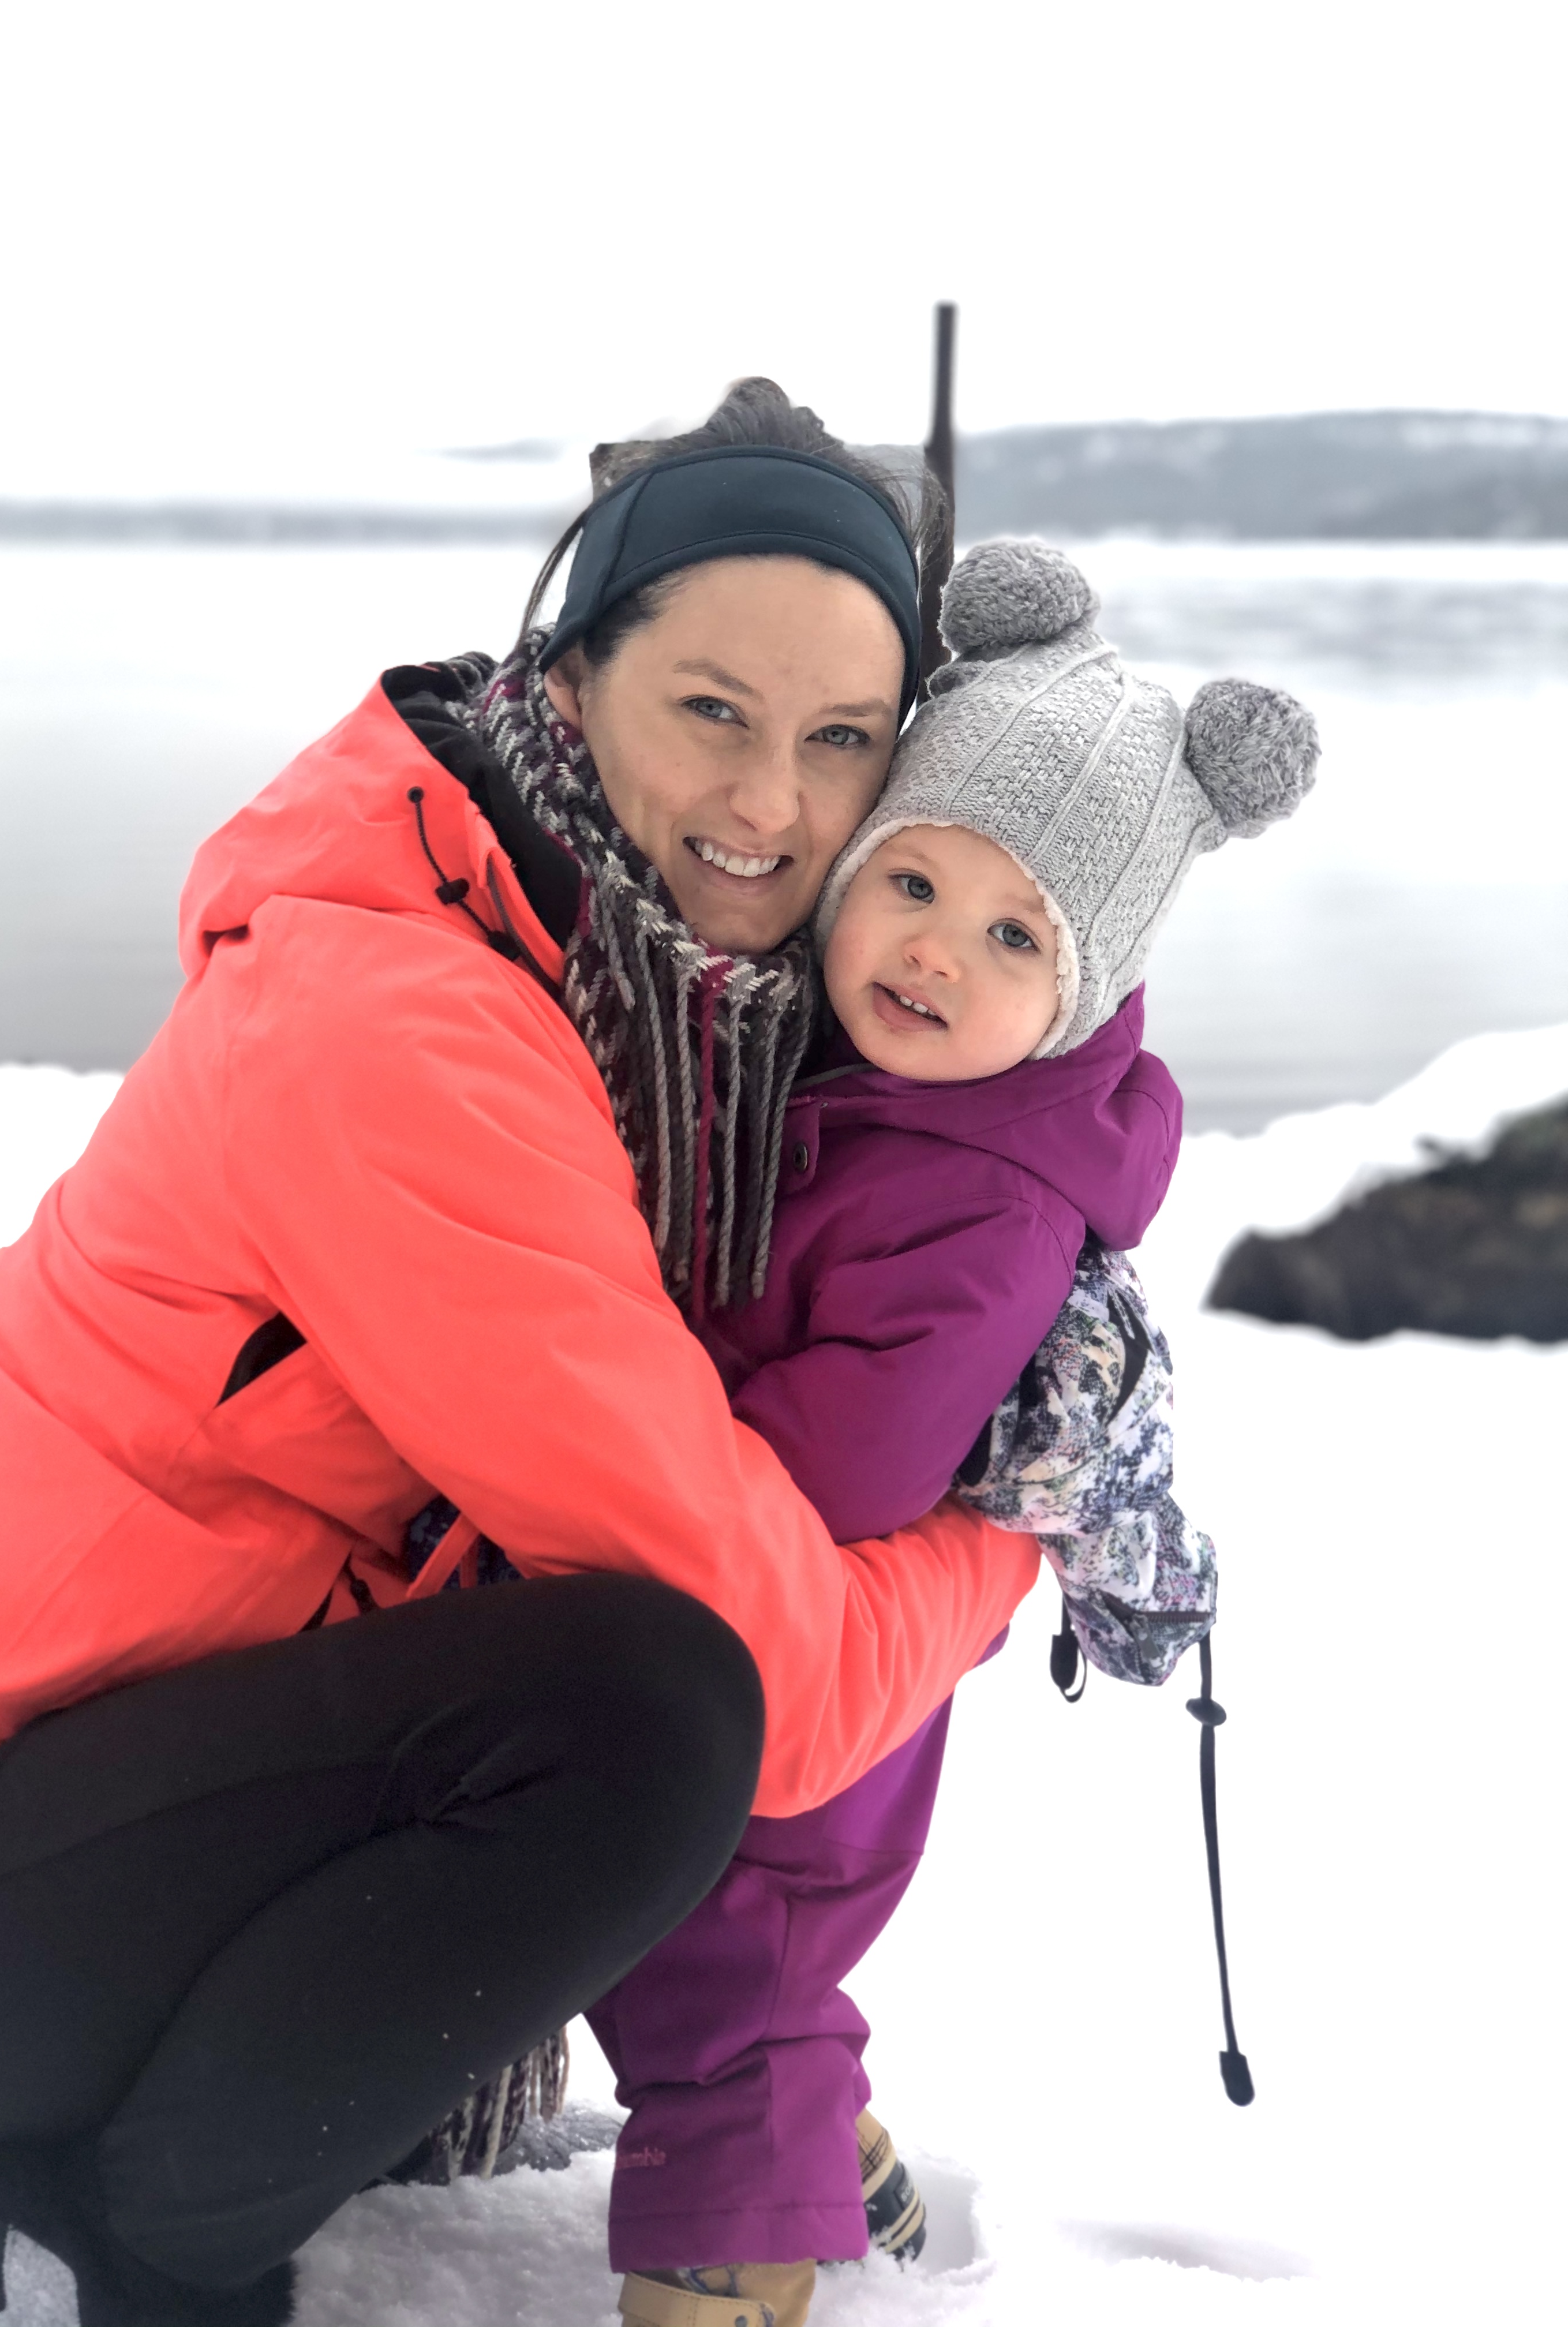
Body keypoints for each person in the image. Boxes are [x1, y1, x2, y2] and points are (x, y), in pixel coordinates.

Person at [0, 383, 1042, 2327]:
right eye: (710, 712)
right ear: (569, 684)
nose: (772, 809)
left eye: (840, 745)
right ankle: (163, 2241)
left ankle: (185, 2121)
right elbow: (768, 1667)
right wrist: (1020, 1527)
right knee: (651, 1702)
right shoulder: (406, 1020)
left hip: (27, 1836)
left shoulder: (622, 981)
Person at [591, 539, 1319, 2327]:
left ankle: (724, 2269)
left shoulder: (981, 1197)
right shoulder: (860, 1081)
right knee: (716, 1955)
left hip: (817, 1652)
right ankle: (831, 2153)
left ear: (1079, 993)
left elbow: (849, 1462)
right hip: (788, 1623)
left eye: (1015, 939)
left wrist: (625, 1406)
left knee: (726, 1969)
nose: (936, 952)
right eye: (910, 879)